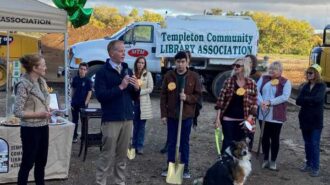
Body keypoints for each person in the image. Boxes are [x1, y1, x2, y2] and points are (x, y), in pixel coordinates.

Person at [94, 40, 140, 185]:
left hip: (127, 118)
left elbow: (133, 96)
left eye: (124, 51)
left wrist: (137, 89)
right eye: (120, 51)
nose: (123, 53)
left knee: (122, 155)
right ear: (111, 52)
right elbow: (101, 96)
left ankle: (119, 182)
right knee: (107, 154)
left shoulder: (127, 69)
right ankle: (101, 182)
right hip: (111, 119)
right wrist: (120, 87)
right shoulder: (102, 72)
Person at [160, 51, 202, 179]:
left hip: (186, 116)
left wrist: (187, 97)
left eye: (183, 62)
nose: (180, 64)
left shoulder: (194, 76)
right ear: (175, 62)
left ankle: (185, 167)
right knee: (172, 142)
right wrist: (164, 114)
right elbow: (163, 96)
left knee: (184, 142)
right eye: (178, 62)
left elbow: (198, 96)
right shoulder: (169, 76)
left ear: (187, 62)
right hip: (173, 115)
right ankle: (170, 165)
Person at [14, 54, 51, 185]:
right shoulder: (23, 85)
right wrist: (38, 114)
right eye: (43, 65)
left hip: (43, 127)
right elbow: (17, 111)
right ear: (35, 68)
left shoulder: (42, 81)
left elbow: (43, 101)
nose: (46, 67)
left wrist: (47, 110)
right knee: (28, 163)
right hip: (30, 130)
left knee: (42, 162)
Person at [214, 57, 258, 154]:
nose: (235, 67)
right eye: (234, 65)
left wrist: (249, 119)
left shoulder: (252, 83)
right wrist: (217, 119)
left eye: (238, 65)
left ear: (244, 67)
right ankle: (225, 167)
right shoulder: (228, 81)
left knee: (243, 147)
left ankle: (240, 168)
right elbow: (220, 102)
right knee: (227, 145)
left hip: (244, 121)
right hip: (228, 120)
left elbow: (254, 103)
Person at [257, 61, 291, 171]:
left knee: (275, 138)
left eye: (275, 69)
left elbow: (284, 97)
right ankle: (266, 158)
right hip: (263, 113)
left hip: (276, 115)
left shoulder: (285, 82)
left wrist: (270, 102)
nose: (272, 71)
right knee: (264, 137)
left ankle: (273, 161)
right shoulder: (263, 78)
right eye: (271, 69)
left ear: (280, 71)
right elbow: (256, 92)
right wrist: (262, 102)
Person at [296, 64, 326, 177]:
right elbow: (298, 101)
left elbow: (318, 99)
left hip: (316, 120)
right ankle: (308, 163)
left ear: (316, 74)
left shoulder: (321, 86)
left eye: (311, 73)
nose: (308, 75)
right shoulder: (305, 86)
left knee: (314, 143)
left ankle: (315, 167)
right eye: (307, 72)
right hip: (304, 119)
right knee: (307, 143)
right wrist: (309, 100)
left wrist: (305, 100)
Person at [132, 56, 154, 155]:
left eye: (142, 63)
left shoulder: (147, 74)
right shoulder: (132, 74)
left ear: (144, 64)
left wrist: (140, 92)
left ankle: (139, 146)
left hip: (144, 103)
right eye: (139, 62)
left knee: (141, 126)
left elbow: (150, 88)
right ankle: (133, 145)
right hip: (134, 103)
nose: (140, 64)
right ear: (136, 63)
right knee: (135, 125)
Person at [71, 63, 92, 143]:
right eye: (81, 69)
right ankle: (74, 136)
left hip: (83, 105)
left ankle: (84, 137)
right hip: (75, 103)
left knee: (84, 121)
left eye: (84, 69)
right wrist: (72, 101)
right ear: (78, 69)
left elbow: (89, 93)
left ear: (86, 71)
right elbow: (73, 90)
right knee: (74, 121)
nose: (82, 71)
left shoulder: (88, 80)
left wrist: (85, 104)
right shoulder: (75, 79)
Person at [245, 54, 262, 151]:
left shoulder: (257, 76)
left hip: (252, 108)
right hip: (240, 107)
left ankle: (248, 149)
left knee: (250, 130)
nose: (247, 63)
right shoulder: (241, 73)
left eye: (249, 62)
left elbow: (258, 93)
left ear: (253, 64)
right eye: (245, 61)